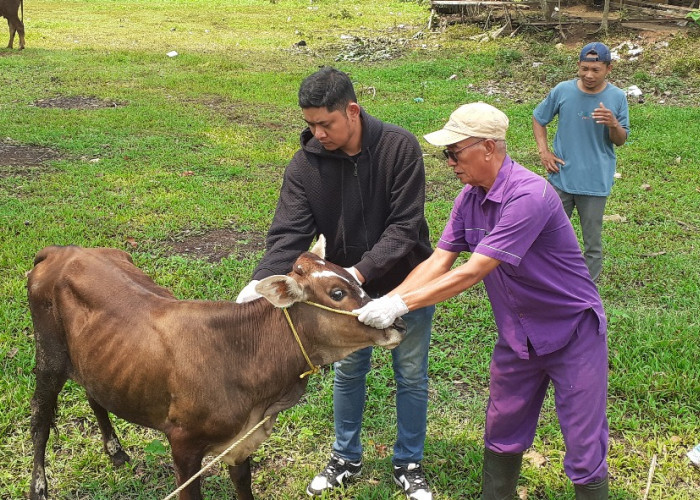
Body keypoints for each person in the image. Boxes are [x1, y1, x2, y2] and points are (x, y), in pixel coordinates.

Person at [354, 102, 610, 499]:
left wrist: (400, 306)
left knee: (583, 441)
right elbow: (440, 261)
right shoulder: (468, 199)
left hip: (572, 332)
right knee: (502, 430)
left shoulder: (530, 195)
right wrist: (387, 298)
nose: (450, 162)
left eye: (455, 152)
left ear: (489, 147)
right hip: (518, 337)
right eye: (447, 154)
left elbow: (472, 272)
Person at [235, 66, 436, 500]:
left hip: (405, 283)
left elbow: (404, 229)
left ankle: (409, 462)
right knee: (348, 371)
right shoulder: (306, 165)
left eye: (325, 123)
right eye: (310, 125)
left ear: (352, 110)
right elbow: (288, 234)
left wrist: (357, 276)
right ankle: (346, 455)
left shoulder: (399, 148)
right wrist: (257, 283)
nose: (318, 133)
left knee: (411, 372)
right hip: (343, 294)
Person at [532, 41, 630, 282]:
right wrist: (544, 152)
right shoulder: (562, 91)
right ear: (578, 65)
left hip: (595, 182)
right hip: (561, 177)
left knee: (592, 243)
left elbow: (620, 140)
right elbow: (538, 118)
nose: (589, 75)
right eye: (584, 68)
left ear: (609, 68)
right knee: (549, 236)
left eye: (595, 70)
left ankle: (587, 291)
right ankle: (552, 284)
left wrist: (613, 124)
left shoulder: (616, 97)